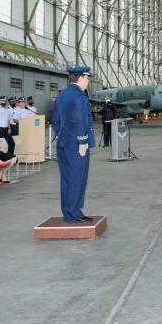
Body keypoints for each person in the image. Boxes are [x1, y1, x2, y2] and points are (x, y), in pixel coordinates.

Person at [52, 67, 96, 222]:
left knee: (66, 179)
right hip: (77, 145)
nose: (88, 81)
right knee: (78, 178)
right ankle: (74, 213)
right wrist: (82, 141)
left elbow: (56, 120)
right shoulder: (80, 96)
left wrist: (62, 135)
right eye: (87, 78)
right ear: (81, 78)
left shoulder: (62, 94)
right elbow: (80, 120)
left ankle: (69, 211)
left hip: (63, 143)